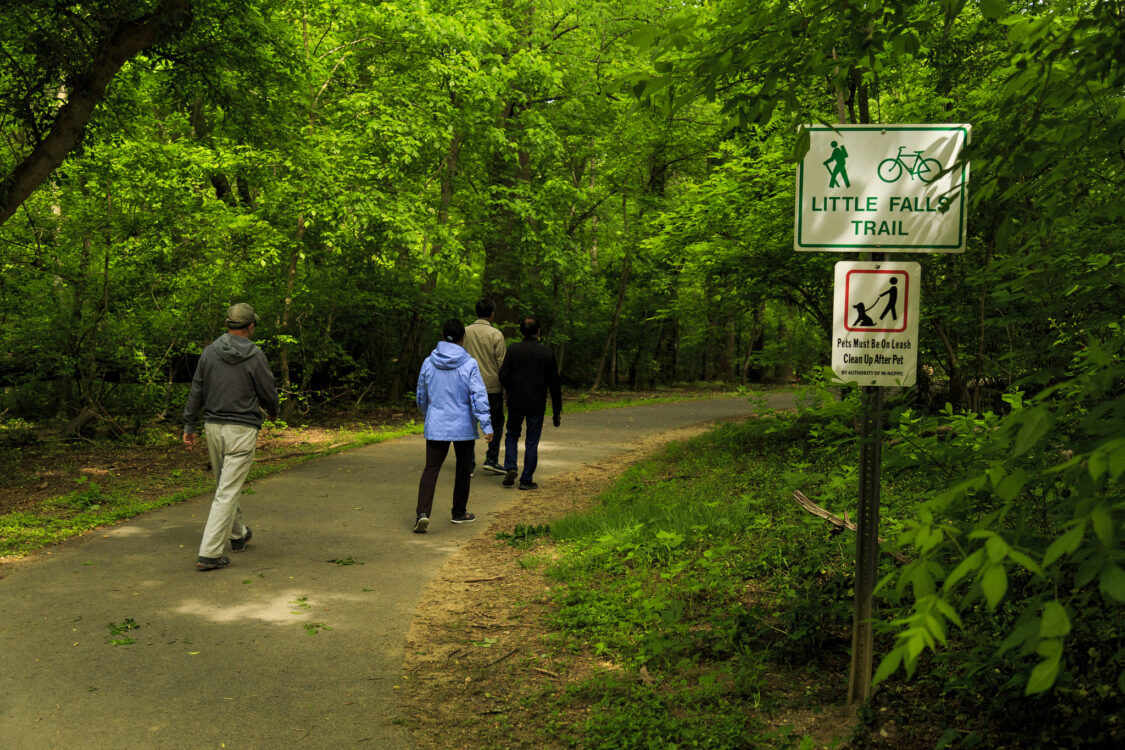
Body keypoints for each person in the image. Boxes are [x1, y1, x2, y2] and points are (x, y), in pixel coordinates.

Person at [183, 303, 279, 571]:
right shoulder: (255, 355)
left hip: (212, 427)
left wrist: (189, 425)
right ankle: (209, 553)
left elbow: (197, 389)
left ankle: (238, 535)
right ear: (250, 327)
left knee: (224, 486)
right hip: (242, 429)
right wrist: (273, 412)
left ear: (227, 325)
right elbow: (268, 390)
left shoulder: (209, 353)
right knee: (226, 490)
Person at [414, 318, 494, 532]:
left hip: (436, 423)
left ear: (442, 336)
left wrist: (427, 413)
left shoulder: (429, 362)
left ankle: (422, 513)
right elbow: (478, 395)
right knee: (463, 467)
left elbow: (421, 394)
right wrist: (486, 425)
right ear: (463, 337)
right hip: (463, 426)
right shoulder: (469, 364)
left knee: (431, 467)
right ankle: (459, 512)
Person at [498, 317, 561, 491]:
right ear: (538, 331)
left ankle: (510, 467)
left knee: (512, 435)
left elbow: (503, 375)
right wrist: (557, 411)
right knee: (532, 441)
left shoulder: (513, 350)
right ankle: (526, 479)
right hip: (536, 403)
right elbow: (554, 383)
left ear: (521, 331)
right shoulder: (546, 353)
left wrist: (511, 388)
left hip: (515, 401)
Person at [461, 299, 506, 476]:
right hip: (491, 386)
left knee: (468, 423)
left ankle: (468, 463)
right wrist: (505, 388)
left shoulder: (465, 332)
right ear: (492, 313)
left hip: (467, 385)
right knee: (497, 421)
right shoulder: (496, 334)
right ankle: (492, 459)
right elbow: (502, 363)